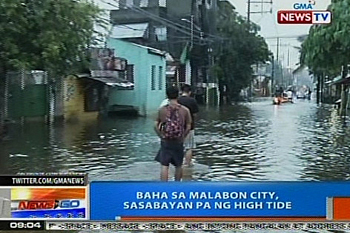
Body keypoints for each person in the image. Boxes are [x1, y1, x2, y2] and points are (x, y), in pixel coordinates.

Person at [154, 86, 192, 181]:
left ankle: (164, 186)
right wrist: (183, 137)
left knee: (164, 165)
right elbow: (188, 126)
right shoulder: (185, 110)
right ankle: (177, 185)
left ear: (167, 95)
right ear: (178, 95)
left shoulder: (162, 110)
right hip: (178, 141)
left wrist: (161, 135)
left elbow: (155, 125)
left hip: (166, 141)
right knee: (178, 165)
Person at [178, 84, 199, 166]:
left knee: (179, 146)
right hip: (189, 126)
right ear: (189, 92)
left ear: (181, 91)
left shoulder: (178, 100)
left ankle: (178, 163)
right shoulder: (192, 101)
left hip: (178, 126)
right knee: (189, 147)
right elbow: (195, 114)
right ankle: (187, 164)